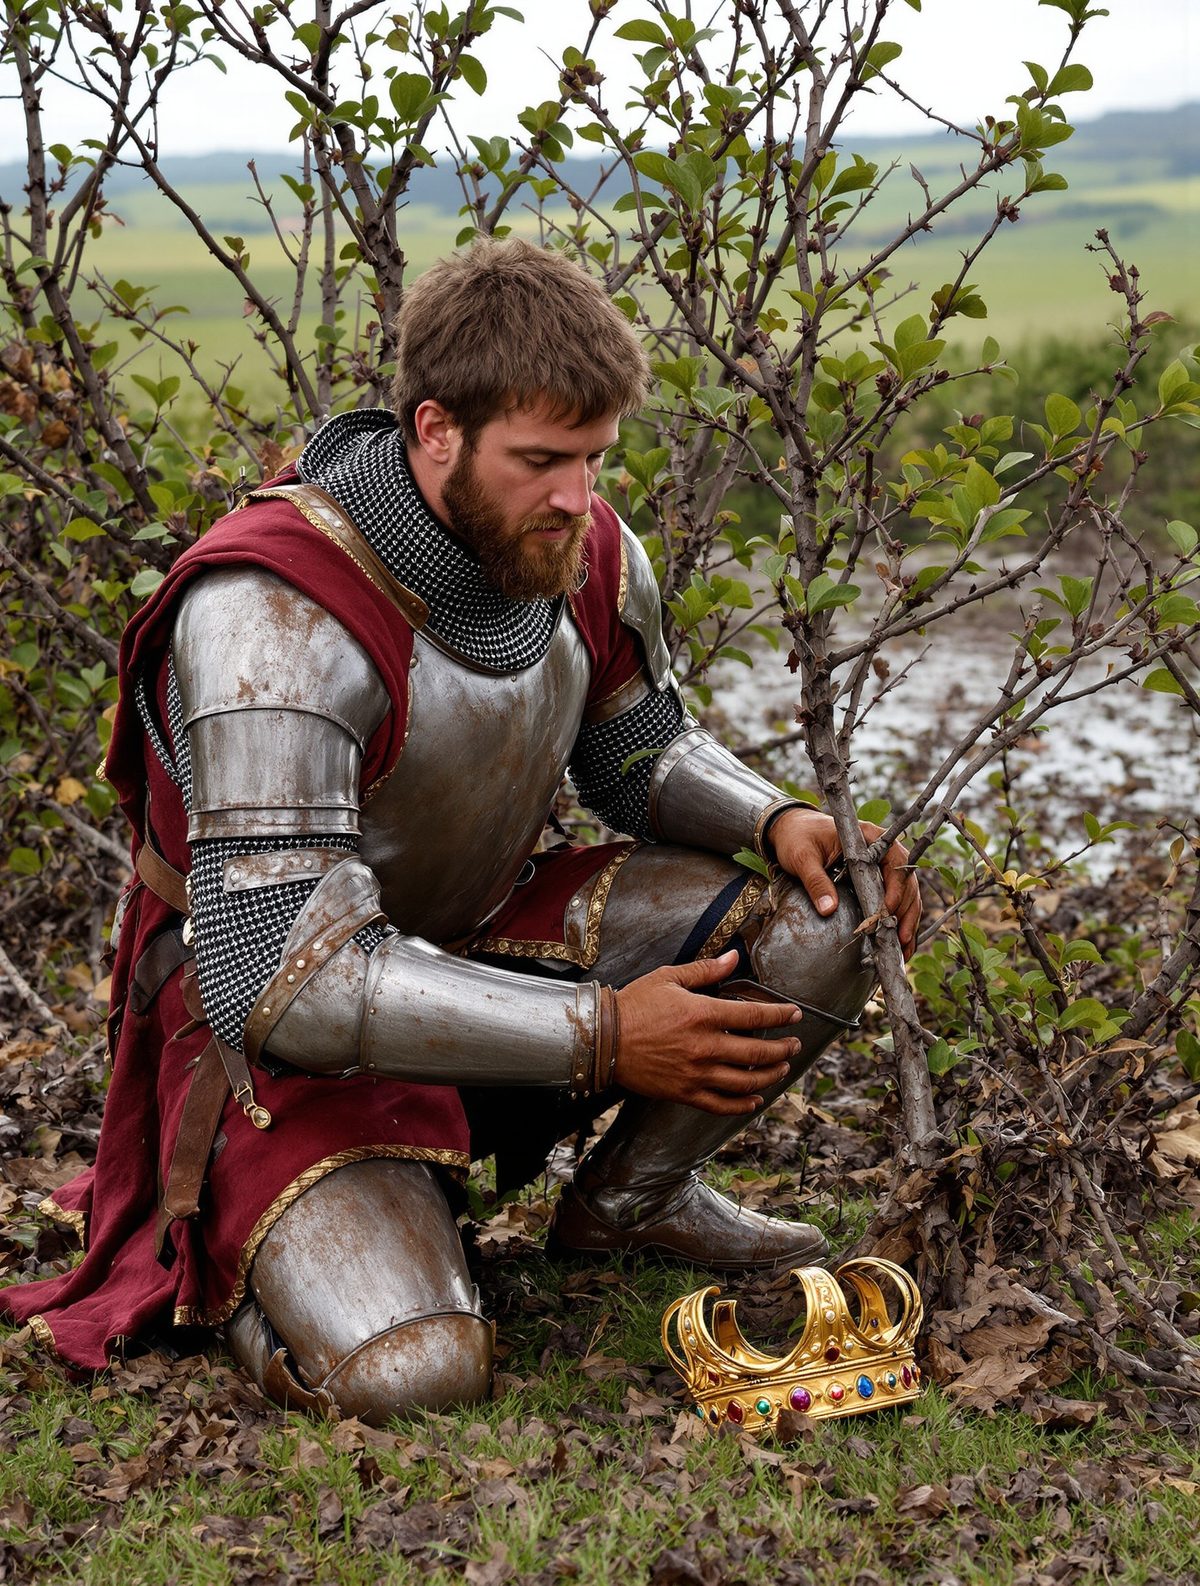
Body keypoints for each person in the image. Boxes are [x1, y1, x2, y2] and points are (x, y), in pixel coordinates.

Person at [3, 241, 919, 1424]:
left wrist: (781, 815)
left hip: (474, 935)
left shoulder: (579, 547)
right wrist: (604, 1034)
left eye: (594, 457)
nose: (577, 497)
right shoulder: (275, 612)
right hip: (276, 1037)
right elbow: (282, 975)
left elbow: (636, 754)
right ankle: (235, 1252)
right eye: (541, 460)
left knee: (828, 911)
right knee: (416, 1373)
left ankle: (630, 1202)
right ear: (435, 428)